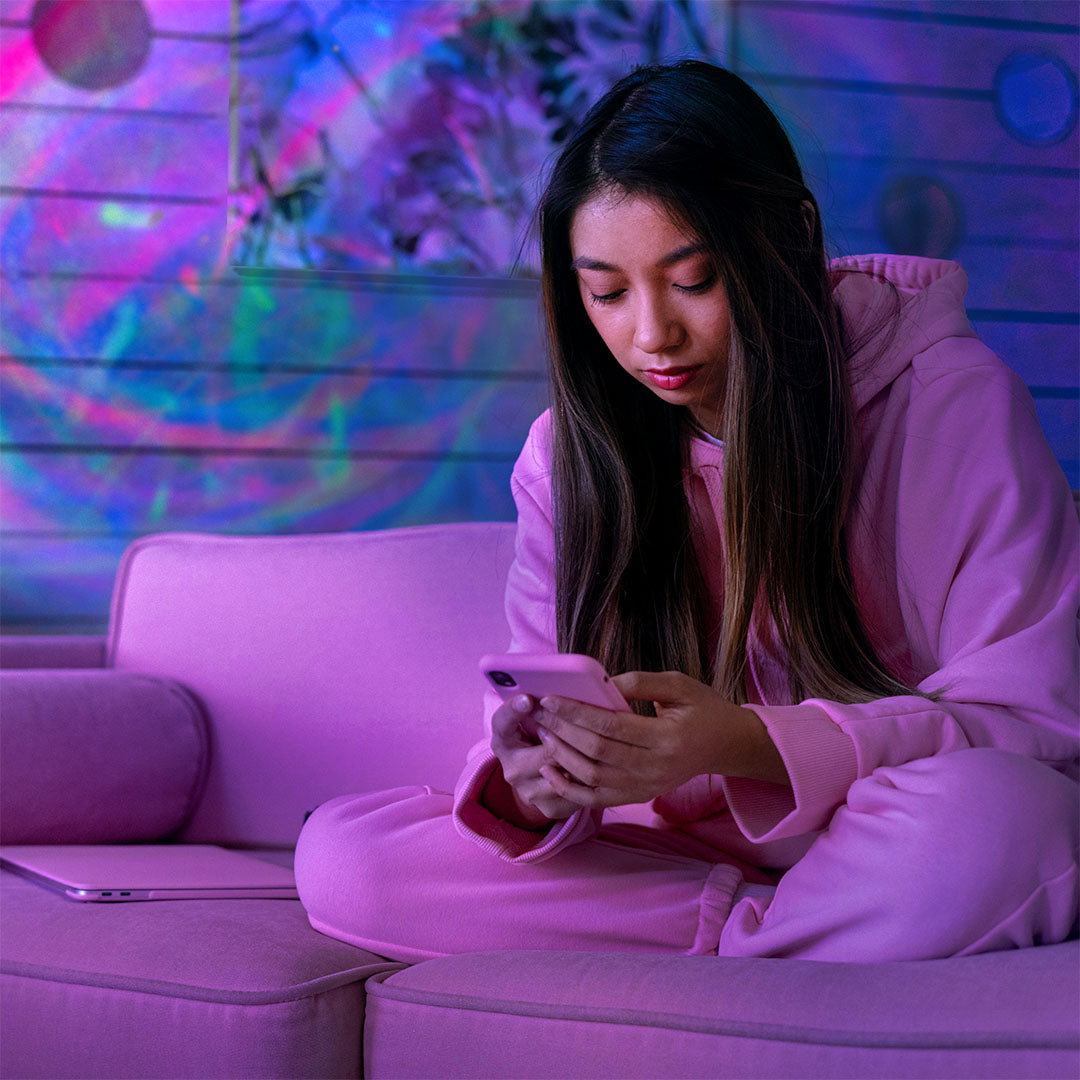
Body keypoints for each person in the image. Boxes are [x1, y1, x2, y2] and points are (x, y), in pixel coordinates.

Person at [295, 60, 1079, 962]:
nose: (652, 334)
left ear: (786, 243)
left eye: (694, 280)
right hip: (691, 863)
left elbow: (1034, 724)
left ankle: (742, 952)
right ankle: (774, 948)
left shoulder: (949, 402)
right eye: (609, 291)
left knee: (1006, 821)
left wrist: (744, 743)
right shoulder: (566, 459)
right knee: (352, 856)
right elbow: (549, 702)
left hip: (888, 840)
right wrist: (534, 777)